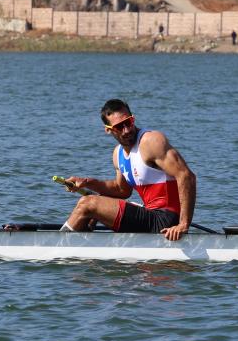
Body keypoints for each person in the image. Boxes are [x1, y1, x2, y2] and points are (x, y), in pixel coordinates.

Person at [60, 99, 196, 241]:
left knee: (87, 203)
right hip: (150, 216)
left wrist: (183, 224)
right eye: (119, 127)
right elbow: (121, 190)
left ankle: (59, 247)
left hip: (165, 220)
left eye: (128, 122)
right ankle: (79, 245)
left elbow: (187, 176)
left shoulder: (151, 141)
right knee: (96, 202)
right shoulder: (117, 154)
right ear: (108, 129)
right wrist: (87, 182)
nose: (126, 130)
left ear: (133, 118)